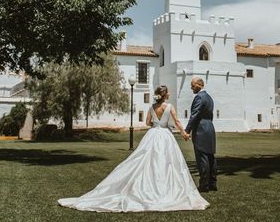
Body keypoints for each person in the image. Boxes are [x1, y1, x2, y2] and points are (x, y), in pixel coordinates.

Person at [57, 85, 209, 212]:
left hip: (152, 135)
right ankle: (164, 189)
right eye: (167, 92)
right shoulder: (169, 107)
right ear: (165, 95)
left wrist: (157, 123)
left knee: (146, 160)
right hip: (165, 135)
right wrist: (184, 133)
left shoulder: (151, 107)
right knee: (167, 161)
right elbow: (176, 122)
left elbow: (147, 123)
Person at [185, 77, 217, 192]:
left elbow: (195, 114)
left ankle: (204, 185)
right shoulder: (209, 98)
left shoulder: (199, 97)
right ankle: (213, 183)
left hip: (201, 130)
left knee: (202, 158)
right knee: (211, 157)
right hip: (210, 128)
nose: (191, 88)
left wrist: (187, 130)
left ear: (199, 85)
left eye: (192, 86)